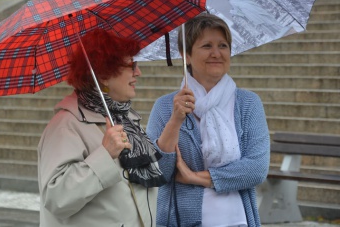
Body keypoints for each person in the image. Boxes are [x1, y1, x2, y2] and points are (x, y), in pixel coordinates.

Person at [146, 13, 270, 227]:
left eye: (223, 45)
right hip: (180, 221)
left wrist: (195, 178)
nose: (216, 53)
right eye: (206, 46)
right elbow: (157, 172)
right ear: (186, 55)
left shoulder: (248, 103)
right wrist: (175, 120)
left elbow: (256, 169)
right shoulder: (165, 106)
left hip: (237, 220)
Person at [37, 29, 166, 227]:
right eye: (131, 65)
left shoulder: (126, 118)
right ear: (104, 75)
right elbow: (56, 198)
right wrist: (105, 155)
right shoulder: (65, 125)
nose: (138, 72)